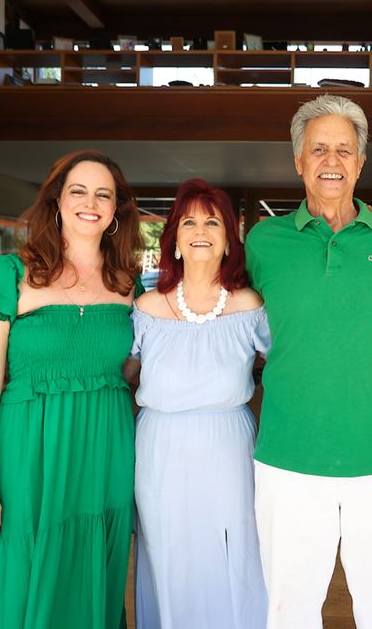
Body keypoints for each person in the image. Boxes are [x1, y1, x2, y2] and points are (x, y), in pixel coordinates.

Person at [244, 94, 372, 629]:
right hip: (288, 457)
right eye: (318, 149)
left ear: (361, 162)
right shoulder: (262, 241)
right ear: (298, 160)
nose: (331, 161)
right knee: (288, 613)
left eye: (345, 150)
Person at [0, 150, 143, 627]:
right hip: (26, 454)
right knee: (17, 579)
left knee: (91, 577)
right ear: (57, 202)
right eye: (78, 191)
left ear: (116, 210)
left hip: (105, 450)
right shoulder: (9, 276)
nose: (91, 202)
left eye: (103, 194)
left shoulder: (131, 286)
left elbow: (132, 371)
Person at [128, 178, 269, 628]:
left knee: (235, 550)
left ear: (229, 239)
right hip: (161, 448)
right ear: (173, 240)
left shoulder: (249, 305)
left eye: (213, 221)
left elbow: (289, 368)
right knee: (169, 552)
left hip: (230, 446)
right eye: (188, 221)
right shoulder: (147, 308)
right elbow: (118, 377)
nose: (200, 229)